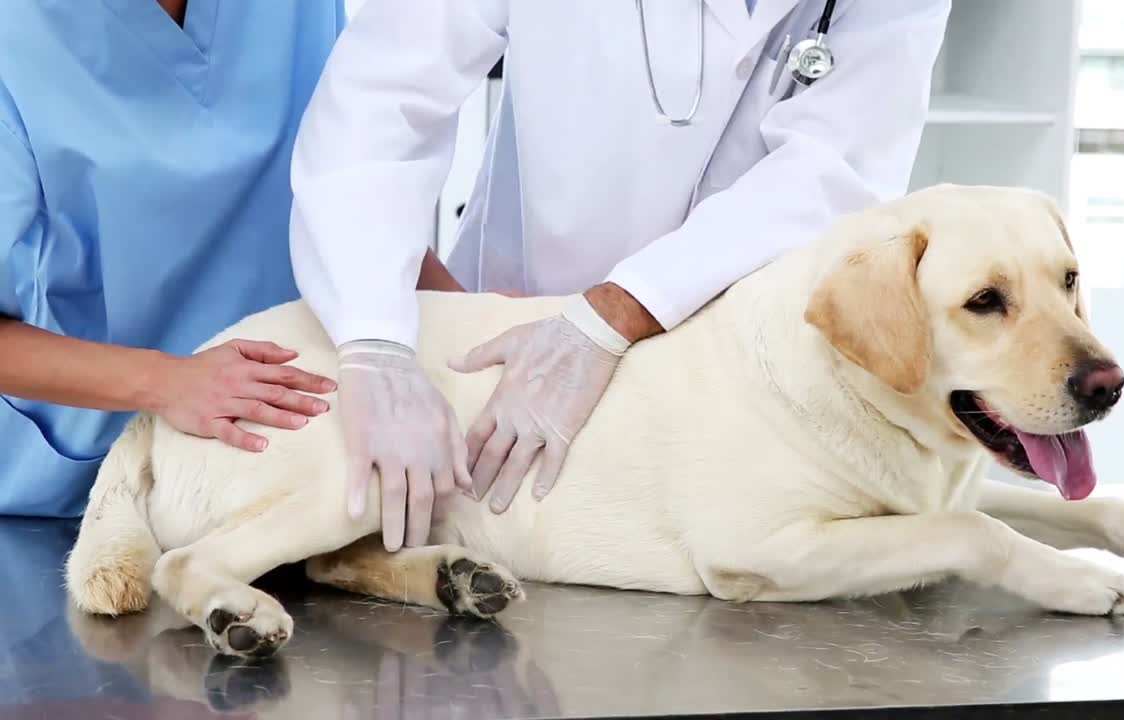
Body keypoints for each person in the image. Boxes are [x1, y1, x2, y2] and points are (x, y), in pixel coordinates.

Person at [290, 0, 951, 551]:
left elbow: (837, 166)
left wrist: (619, 309)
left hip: (752, 378)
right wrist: (375, 340)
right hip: (513, 338)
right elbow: (384, 104)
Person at [0, 1, 354, 518]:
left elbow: (351, 204)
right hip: (91, 490)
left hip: (299, 461)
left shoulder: (297, 11)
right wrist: (168, 382)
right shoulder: (19, 33)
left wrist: (488, 325)